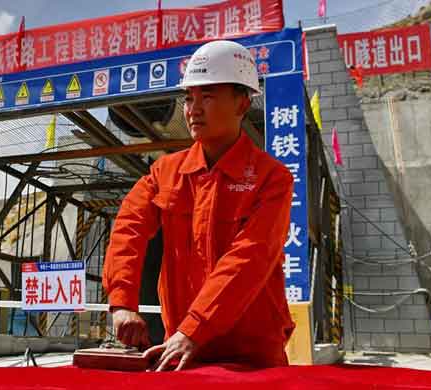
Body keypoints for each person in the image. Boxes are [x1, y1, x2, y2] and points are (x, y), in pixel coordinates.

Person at [103, 40, 295, 371]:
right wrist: (122, 302)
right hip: (182, 349)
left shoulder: (271, 178)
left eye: (207, 96)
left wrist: (195, 328)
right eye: (189, 98)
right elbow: (128, 229)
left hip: (253, 354)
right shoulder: (166, 173)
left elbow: (250, 256)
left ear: (242, 104)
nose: (193, 109)